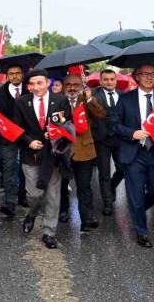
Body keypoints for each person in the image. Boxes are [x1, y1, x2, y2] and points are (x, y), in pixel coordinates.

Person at [111, 64, 154, 248]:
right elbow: (114, 123)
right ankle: (141, 231)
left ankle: (138, 210)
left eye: (153, 74)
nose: (149, 77)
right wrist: (131, 133)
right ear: (137, 77)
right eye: (144, 74)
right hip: (135, 153)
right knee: (134, 193)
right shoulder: (126, 99)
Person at [13, 69, 72, 249]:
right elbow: (16, 128)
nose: (36, 87)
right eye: (32, 84)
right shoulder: (21, 102)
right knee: (34, 194)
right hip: (31, 154)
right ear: (28, 85)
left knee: (53, 195)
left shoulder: (61, 100)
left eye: (40, 83)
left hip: (54, 154)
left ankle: (49, 232)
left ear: (47, 82)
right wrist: (29, 141)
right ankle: (31, 214)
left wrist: (56, 133)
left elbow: (69, 125)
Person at [62, 73, 106, 232]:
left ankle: (87, 218)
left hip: (84, 149)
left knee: (84, 186)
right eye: (68, 85)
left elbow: (101, 115)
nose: (72, 88)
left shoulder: (87, 100)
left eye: (76, 84)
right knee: (61, 185)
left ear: (81, 85)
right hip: (62, 150)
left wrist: (89, 99)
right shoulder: (58, 100)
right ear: (64, 86)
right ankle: (63, 211)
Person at [0, 64, 29, 216]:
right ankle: (9, 202)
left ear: (22, 75)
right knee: (9, 169)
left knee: (26, 168)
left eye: (18, 73)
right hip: (6, 138)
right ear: (6, 76)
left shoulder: (30, 90)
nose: (15, 76)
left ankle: (24, 196)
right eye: (11, 74)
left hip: (27, 137)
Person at [90, 69, 124, 215]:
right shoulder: (93, 94)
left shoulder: (124, 95)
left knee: (123, 168)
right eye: (106, 79)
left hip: (120, 138)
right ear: (101, 81)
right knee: (104, 172)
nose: (109, 82)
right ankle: (108, 203)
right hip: (101, 139)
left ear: (116, 80)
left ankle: (111, 186)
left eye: (112, 79)